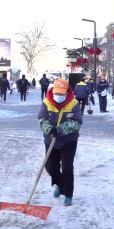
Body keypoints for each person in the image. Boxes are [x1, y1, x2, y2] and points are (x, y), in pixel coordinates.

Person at [37, 78, 83, 206]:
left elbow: (77, 122)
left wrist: (60, 129)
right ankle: (60, 184)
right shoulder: (46, 102)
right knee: (51, 167)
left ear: (67, 92)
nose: (58, 96)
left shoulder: (73, 103)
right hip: (50, 139)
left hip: (68, 141)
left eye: (61, 94)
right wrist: (50, 130)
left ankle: (68, 194)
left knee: (67, 167)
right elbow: (42, 119)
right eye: (56, 93)